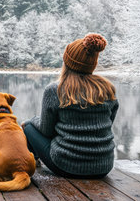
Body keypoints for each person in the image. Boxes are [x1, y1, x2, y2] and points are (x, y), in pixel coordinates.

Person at [22, 33, 119, 179]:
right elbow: (109, 123)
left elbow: (46, 131)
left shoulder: (56, 90)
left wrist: (34, 120)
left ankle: (31, 163)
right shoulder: (107, 89)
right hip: (104, 167)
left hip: (66, 166)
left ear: (67, 62)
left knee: (28, 126)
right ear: (92, 64)